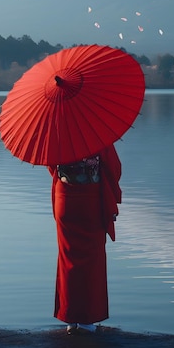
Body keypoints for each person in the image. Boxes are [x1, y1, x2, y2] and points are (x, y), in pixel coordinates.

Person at [48, 143, 122, 335]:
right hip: (91, 200)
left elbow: (50, 166)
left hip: (65, 197)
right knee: (92, 259)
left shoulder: (58, 135)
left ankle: (70, 318)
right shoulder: (96, 135)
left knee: (68, 259)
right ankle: (88, 320)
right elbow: (114, 168)